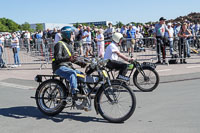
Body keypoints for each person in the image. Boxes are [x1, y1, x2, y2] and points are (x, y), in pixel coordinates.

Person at [52, 26, 86, 98]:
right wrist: (68, 58)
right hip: (59, 67)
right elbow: (58, 58)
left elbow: (72, 59)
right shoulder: (59, 44)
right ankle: (74, 93)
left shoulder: (69, 45)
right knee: (72, 73)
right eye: (72, 34)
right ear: (67, 34)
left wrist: (81, 63)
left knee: (82, 75)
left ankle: (83, 92)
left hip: (67, 66)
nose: (73, 35)